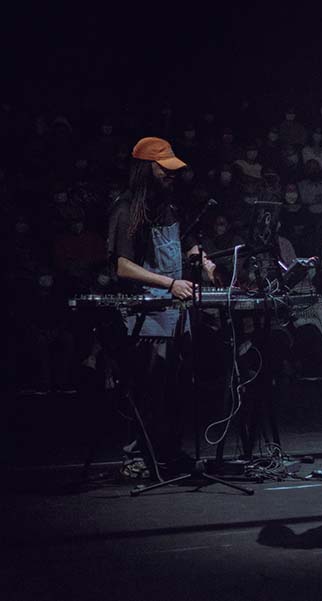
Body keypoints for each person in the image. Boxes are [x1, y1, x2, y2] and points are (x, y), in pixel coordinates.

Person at [105, 136, 216, 476]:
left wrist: (201, 257)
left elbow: (183, 246)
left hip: (174, 311)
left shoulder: (168, 206)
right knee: (147, 387)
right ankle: (136, 455)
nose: (171, 176)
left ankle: (168, 450)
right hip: (145, 314)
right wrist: (169, 283)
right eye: (164, 170)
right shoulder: (126, 209)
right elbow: (123, 266)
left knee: (175, 387)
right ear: (145, 169)